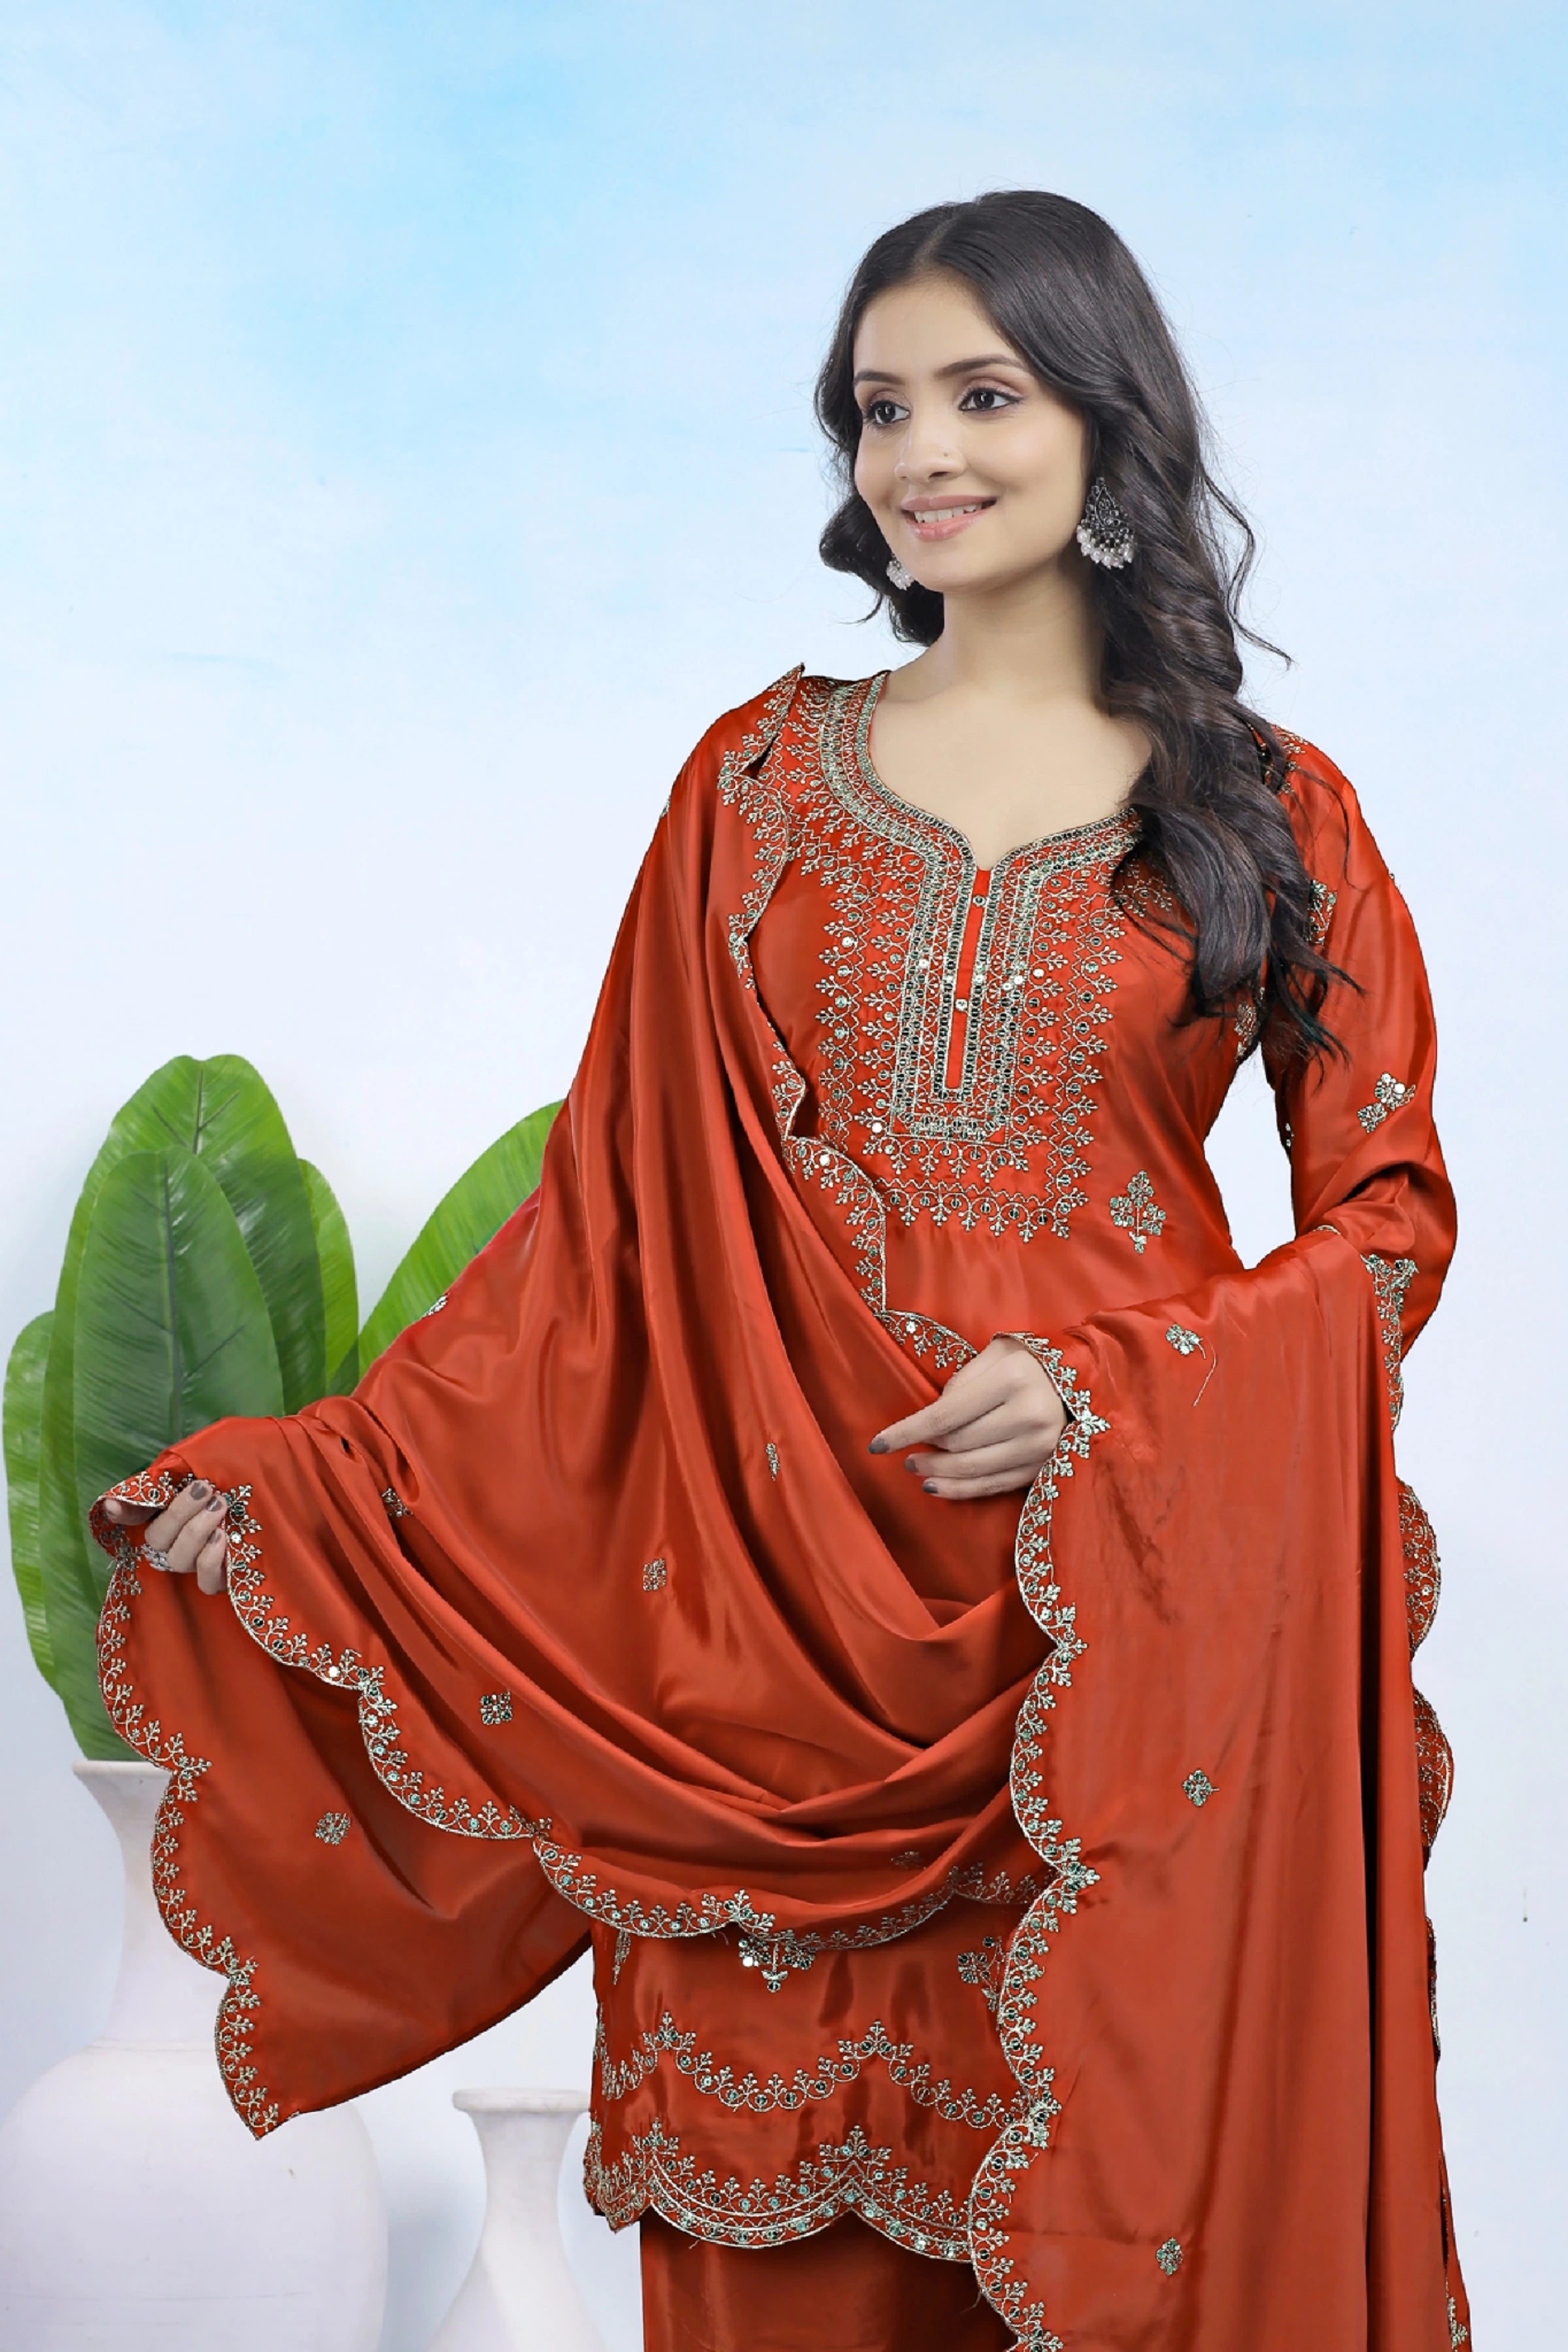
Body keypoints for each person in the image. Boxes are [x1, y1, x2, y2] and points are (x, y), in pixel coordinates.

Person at [96, 191, 1467, 2351]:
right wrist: (322, 1478)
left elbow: (1387, 1223)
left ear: (1109, 419)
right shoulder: (747, 786)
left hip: (1121, 1656)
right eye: (877, 407)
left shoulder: (1272, 815)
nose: (921, 451)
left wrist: (1123, 1387)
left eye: (982, 395)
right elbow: (602, 1242)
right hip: (751, 1660)